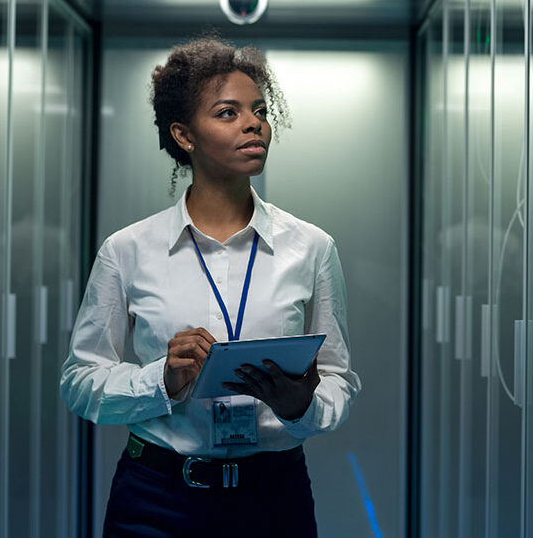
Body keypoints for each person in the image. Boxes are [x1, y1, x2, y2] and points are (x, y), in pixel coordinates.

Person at [60, 38, 359, 537]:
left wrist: (301, 406)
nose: (254, 123)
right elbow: (80, 382)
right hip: (156, 499)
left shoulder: (312, 247)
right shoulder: (128, 250)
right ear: (184, 135)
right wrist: (162, 382)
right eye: (228, 112)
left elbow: (339, 381)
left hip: (273, 497)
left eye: (260, 111)